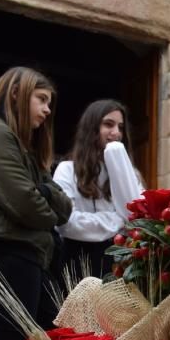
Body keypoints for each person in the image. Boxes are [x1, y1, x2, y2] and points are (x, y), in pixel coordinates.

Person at [0, 67, 72, 340]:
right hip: (7, 254)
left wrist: (45, 196)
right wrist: (44, 199)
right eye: (41, 99)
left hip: (29, 257)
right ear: (16, 93)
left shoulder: (24, 146)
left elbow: (65, 206)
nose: (47, 110)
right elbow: (27, 205)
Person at [53, 99, 143, 278]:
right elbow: (67, 223)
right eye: (108, 124)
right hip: (77, 260)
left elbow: (137, 217)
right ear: (92, 128)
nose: (116, 133)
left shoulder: (131, 174)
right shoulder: (67, 170)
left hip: (117, 263)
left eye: (121, 127)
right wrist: (117, 221)